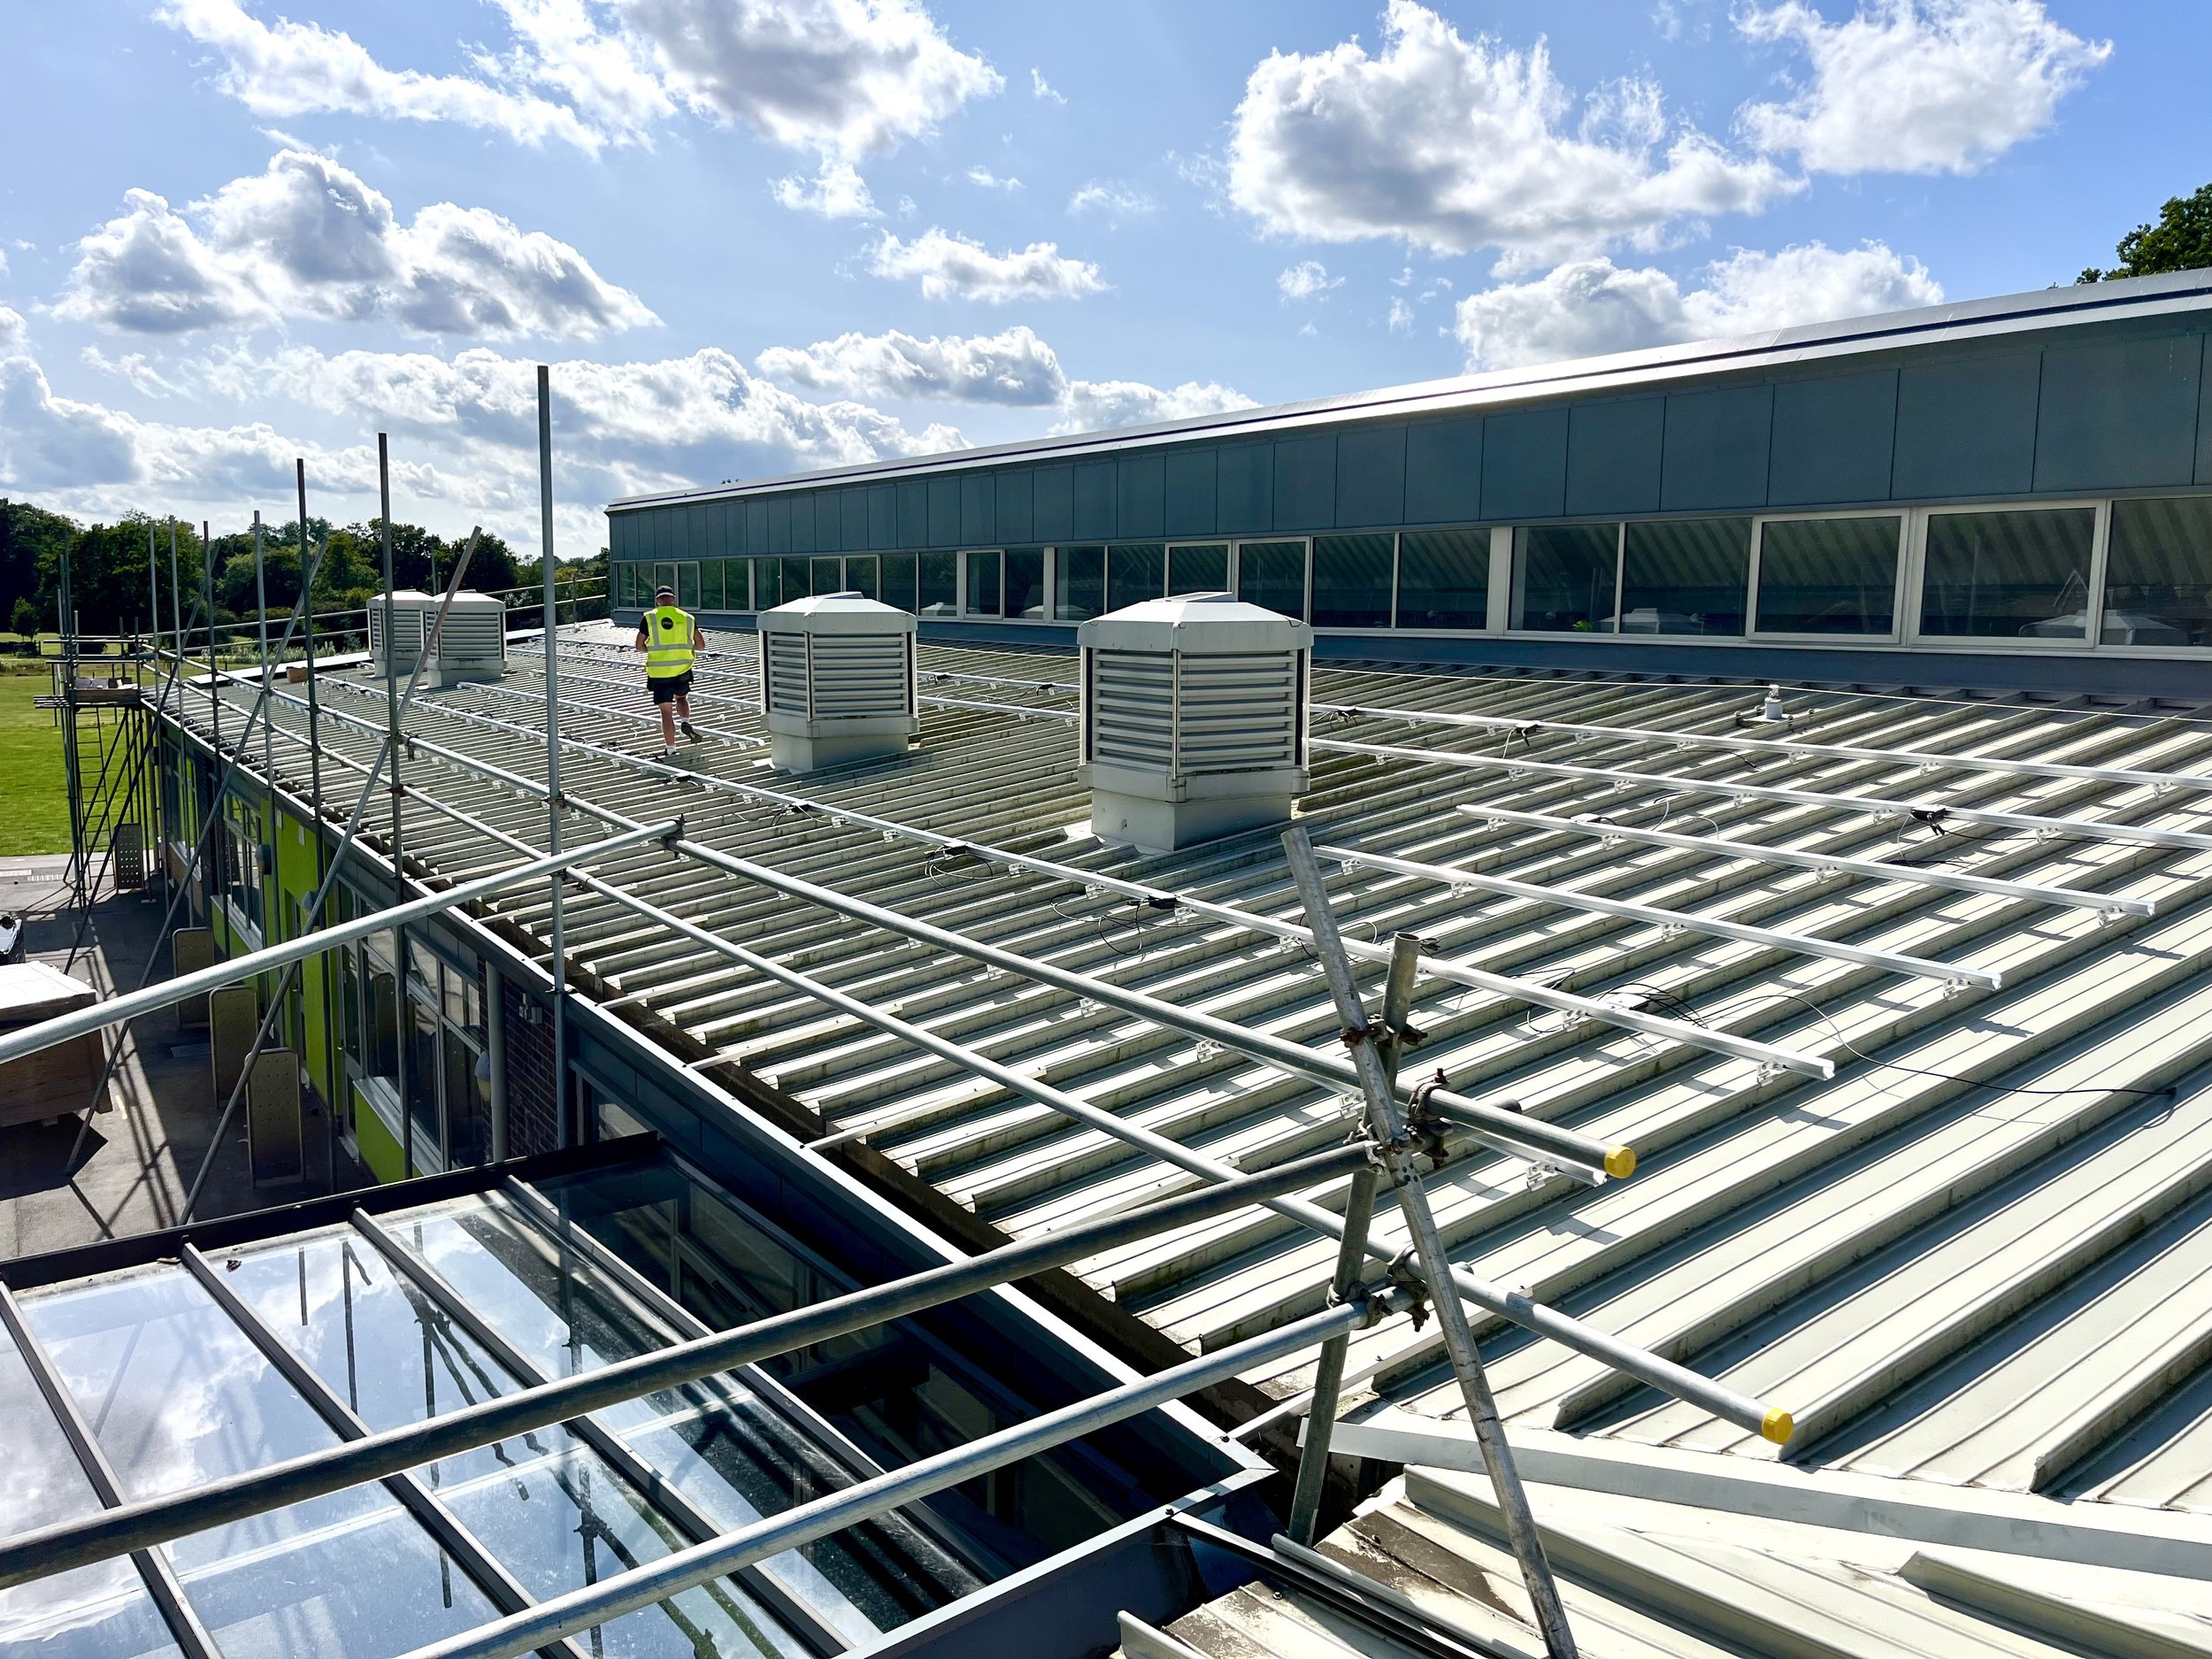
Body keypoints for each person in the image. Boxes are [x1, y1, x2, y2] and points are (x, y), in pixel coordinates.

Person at [635, 584, 704, 756]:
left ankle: (671, 749)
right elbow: (701, 645)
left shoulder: (650, 618)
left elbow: (638, 646)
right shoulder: (688, 618)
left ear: (658, 601)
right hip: (682, 669)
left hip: (659, 673)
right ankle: (686, 721)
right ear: (673, 599)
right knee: (682, 697)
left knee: (666, 711)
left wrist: (650, 650)